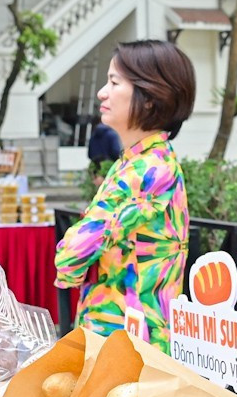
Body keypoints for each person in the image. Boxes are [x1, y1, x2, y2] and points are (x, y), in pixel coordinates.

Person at [54, 39, 196, 352]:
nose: (102, 92)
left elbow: (70, 257)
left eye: (114, 82)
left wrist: (72, 252)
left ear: (149, 98)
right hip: (121, 337)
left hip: (130, 345)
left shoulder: (146, 171)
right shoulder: (144, 161)